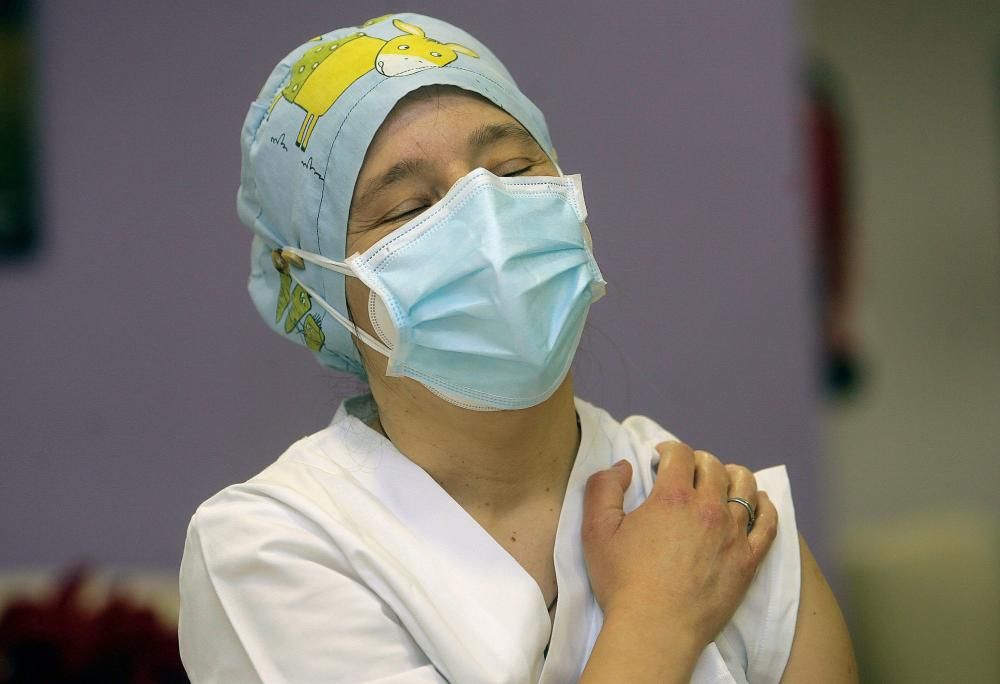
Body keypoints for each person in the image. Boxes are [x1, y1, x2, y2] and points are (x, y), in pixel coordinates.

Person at [178, 13, 856, 683]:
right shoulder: (275, 548)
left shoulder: (720, 520)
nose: (488, 218)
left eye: (511, 167)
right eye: (410, 208)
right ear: (322, 286)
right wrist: (657, 618)